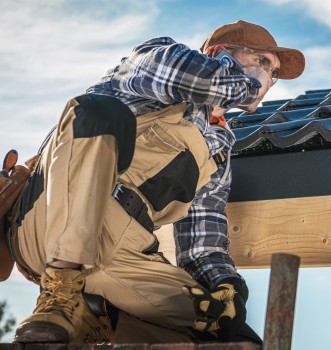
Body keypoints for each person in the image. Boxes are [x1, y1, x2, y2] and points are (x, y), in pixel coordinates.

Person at [6, 20, 305, 344]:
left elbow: (203, 248)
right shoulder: (158, 62)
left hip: (122, 256)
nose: (269, 79)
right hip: (50, 222)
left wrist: (227, 285)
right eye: (262, 62)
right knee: (96, 112)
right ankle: (61, 291)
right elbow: (187, 75)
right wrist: (246, 83)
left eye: (273, 74)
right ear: (219, 53)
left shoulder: (218, 155)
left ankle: (90, 312)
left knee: (225, 329)